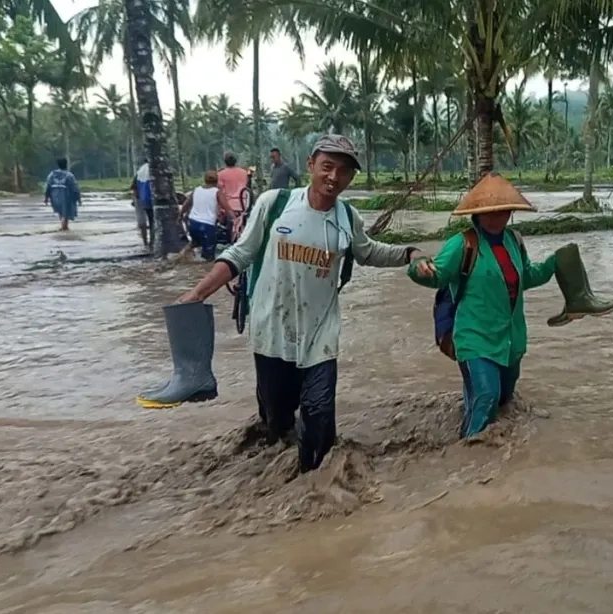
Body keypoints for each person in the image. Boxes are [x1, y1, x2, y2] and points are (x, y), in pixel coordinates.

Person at [176, 134, 424, 473]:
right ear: (311, 165)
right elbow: (240, 253)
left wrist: (409, 253)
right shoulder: (274, 203)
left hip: (320, 335)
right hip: (272, 331)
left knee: (320, 419)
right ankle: (276, 475)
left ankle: (317, 491)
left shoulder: (347, 217)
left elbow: (367, 251)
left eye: (344, 172)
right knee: (277, 424)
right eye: (327, 167)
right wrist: (198, 293)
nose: (334, 178)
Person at [408, 173, 558, 439]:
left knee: (503, 399)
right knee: (487, 396)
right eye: (490, 210)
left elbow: (526, 277)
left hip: (510, 339)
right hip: (474, 337)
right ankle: (468, 456)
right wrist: (419, 268)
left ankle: (487, 441)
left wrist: (552, 265)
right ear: (477, 212)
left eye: (503, 209)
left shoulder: (514, 241)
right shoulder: (462, 244)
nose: (497, 216)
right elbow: (437, 275)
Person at [179, 170, 235, 261]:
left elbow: (186, 204)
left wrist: (180, 215)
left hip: (193, 223)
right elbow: (227, 208)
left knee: (195, 242)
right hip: (207, 226)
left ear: (204, 180)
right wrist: (235, 219)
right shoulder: (217, 192)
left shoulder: (196, 190)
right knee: (209, 255)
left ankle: (182, 257)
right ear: (217, 181)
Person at [217, 151, 249, 237]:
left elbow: (220, 192)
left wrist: (219, 209)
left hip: (229, 206)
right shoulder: (244, 172)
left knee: (229, 230)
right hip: (244, 204)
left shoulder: (221, 174)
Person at [44, 158, 81, 231]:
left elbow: (47, 186)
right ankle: (64, 228)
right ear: (66, 165)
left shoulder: (52, 174)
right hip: (66, 196)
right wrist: (78, 198)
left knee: (60, 212)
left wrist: (46, 197)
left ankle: (63, 226)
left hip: (54, 196)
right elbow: (75, 187)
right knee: (66, 213)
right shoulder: (69, 175)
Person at [131, 159, 154, 247]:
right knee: (153, 222)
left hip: (140, 199)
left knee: (142, 223)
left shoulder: (140, 171)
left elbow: (134, 189)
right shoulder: (153, 170)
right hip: (151, 200)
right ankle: (152, 242)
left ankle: (145, 242)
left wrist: (135, 200)